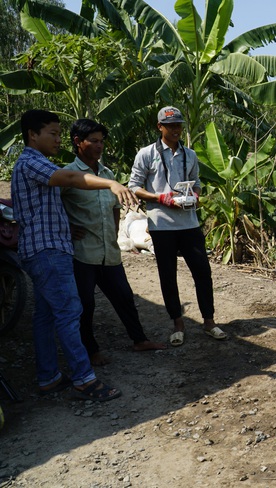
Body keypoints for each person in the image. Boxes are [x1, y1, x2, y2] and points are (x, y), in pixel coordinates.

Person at [11, 109, 136, 402]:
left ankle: (49, 377)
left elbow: (46, 206)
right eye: (52, 133)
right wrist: (111, 183)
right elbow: (69, 178)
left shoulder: (35, 162)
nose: (58, 139)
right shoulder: (31, 161)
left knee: (45, 316)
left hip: (44, 248)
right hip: (48, 251)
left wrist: (69, 225)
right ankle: (84, 380)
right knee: (69, 312)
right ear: (32, 135)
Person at [61, 118, 166, 366]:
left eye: (102, 141)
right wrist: (66, 227)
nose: (99, 146)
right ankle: (91, 351)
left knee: (124, 297)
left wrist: (116, 232)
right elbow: (52, 207)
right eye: (94, 141)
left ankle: (139, 340)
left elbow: (114, 208)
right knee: (85, 304)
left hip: (109, 250)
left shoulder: (108, 174)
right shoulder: (68, 175)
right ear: (78, 142)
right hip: (82, 253)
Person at [128, 106, 227, 347]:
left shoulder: (189, 155)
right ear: (159, 127)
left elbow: (198, 183)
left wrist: (195, 194)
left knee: (202, 272)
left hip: (189, 222)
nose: (176, 130)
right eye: (170, 125)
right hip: (161, 225)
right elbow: (134, 186)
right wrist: (160, 198)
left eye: (179, 125)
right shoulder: (146, 154)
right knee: (168, 275)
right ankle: (178, 323)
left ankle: (209, 320)